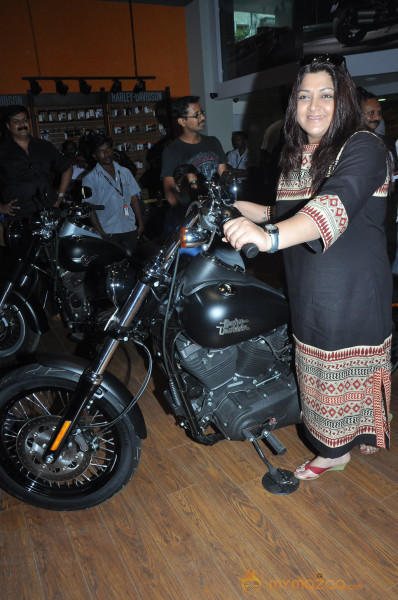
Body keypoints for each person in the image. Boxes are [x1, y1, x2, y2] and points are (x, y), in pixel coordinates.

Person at [223, 54, 392, 478]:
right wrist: (241, 211)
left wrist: (269, 238)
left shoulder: (363, 145)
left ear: (345, 100)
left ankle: (336, 450)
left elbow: (331, 207)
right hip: (307, 278)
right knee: (315, 364)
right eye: (303, 96)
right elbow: (285, 209)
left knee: (345, 362)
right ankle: (352, 437)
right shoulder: (298, 150)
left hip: (351, 286)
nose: (313, 106)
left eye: (326, 95)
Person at [0, 105, 72, 219]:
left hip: (48, 210)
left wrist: (60, 196)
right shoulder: (3, 150)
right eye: (16, 121)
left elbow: (67, 168)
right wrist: (1, 207)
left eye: (24, 120)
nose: (22, 124)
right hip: (18, 215)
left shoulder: (44, 146)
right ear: (8, 126)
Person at [160, 95, 227, 210]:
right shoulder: (172, 151)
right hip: (194, 214)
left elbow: (224, 178)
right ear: (182, 121)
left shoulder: (213, 142)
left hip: (217, 211)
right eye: (197, 115)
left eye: (202, 112)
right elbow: (170, 192)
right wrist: (185, 215)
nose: (202, 117)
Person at [82, 134, 144, 254]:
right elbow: (89, 208)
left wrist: (140, 223)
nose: (106, 153)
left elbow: (134, 199)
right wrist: (101, 233)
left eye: (108, 149)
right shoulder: (89, 179)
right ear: (95, 155)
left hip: (130, 228)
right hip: (109, 232)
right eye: (101, 151)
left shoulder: (125, 172)